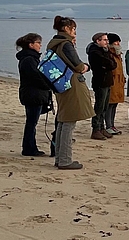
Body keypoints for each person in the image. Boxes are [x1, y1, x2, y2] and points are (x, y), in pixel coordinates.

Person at [47, 16, 95, 170]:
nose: (75, 32)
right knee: (68, 122)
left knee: (63, 121)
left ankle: (60, 158)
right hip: (70, 85)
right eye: (74, 29)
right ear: (67, 28)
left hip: (60, 84)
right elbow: (78, 66)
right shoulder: (65, 44)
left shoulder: (53, 44)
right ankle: (65, 160)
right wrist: (86, 67)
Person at [15, 33, 53, 156]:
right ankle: (29, 148)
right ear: (31, 45)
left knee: (32, 122)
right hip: (32, 94)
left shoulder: (31, 58)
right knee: (31, 122)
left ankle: (30, 147)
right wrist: (49, 85)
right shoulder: (29, 59)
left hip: (33, 93)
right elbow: (35, 77)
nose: (40, 45)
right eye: (38, 43)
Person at [87, 33, 117, 140]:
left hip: (107, 81)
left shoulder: (106, 51)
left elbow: (113, 64)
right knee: (99, 106)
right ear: (97, 41)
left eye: (107, 40)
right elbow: (106, 63)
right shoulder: (94, 52)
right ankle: (96, 129)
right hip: (100, 81)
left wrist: (109, 64)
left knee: (104, 106)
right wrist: (108, 64)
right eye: (104, 40)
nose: (107, 42)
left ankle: (102, 127)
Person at [105, 33, 126, 135]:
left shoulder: (118, 54)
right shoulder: (109, 53)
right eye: (116, 41)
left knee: (115, 104)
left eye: (119, 41)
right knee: (109, 104)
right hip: (112, 82)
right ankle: (108, 125)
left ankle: (112, 125)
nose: (118, 43)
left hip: (119, 82)